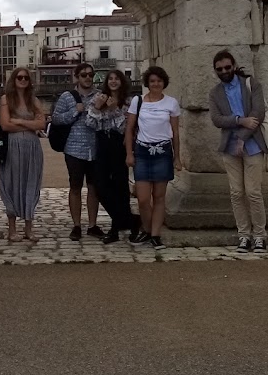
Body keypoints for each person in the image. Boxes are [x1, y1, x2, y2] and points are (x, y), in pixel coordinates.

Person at [209, 50, 268, 253]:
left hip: (252, 145)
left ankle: (259, 235)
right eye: (220, 69)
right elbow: (217, 119)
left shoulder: (251, 84)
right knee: (236, 193)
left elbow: (258, 113)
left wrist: (242, 137)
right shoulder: (215, 93)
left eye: (227, 67)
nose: (224, 71)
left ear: (234, 65)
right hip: (229, 147)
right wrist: (238, 120)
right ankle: (243, 235)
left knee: (253, 192)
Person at [124, 66, 182, 250]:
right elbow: (130, 128)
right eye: (152, 81)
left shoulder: (171, 103)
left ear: (164, 82)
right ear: (147, 83)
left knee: (159, 196)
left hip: (163, 151)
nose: (156, 84)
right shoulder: (138, 101)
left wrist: (177, 157)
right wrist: (129, 153)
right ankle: (147, 229)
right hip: (142, 151)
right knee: (142, 198)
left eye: (159, 81)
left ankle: (155, 234)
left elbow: (175, 132)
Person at [85, 69, 141, 243]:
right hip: (102, 143)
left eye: (117, 78)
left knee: (120, 187)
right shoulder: (98, 98)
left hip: (119, 144)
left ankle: (116, 228)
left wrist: (114, 110)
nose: (113, 81)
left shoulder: (129, 102)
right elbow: (90, 123)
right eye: (110, 79)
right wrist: (97, 108)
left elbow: (126, 128)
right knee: (100, 186)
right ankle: (132, 220)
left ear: (122, 81)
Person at [50, 62, 102, 240]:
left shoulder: (100, 96)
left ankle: (93, 224)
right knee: (75, 187)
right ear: (77, 77)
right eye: (84, 75)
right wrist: (74, 111)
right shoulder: (67, 97)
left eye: (90, 75)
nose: (88, 77)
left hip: (94, 148)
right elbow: (55, 119)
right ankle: (77, 225)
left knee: (94, 187)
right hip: (73, 148)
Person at [0, 68, 47, 242]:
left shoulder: (34, 101)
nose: (23, 80)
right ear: (14, 79)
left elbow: (42, 123)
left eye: (26, 77)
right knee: (11, 183)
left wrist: (19, 121)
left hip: (32, 148)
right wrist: (30, 125)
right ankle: (12, 228)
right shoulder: (6, 100)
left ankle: (28, 227)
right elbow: (5, 125)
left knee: (31, 183)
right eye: (20, 77)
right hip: (12, 147)